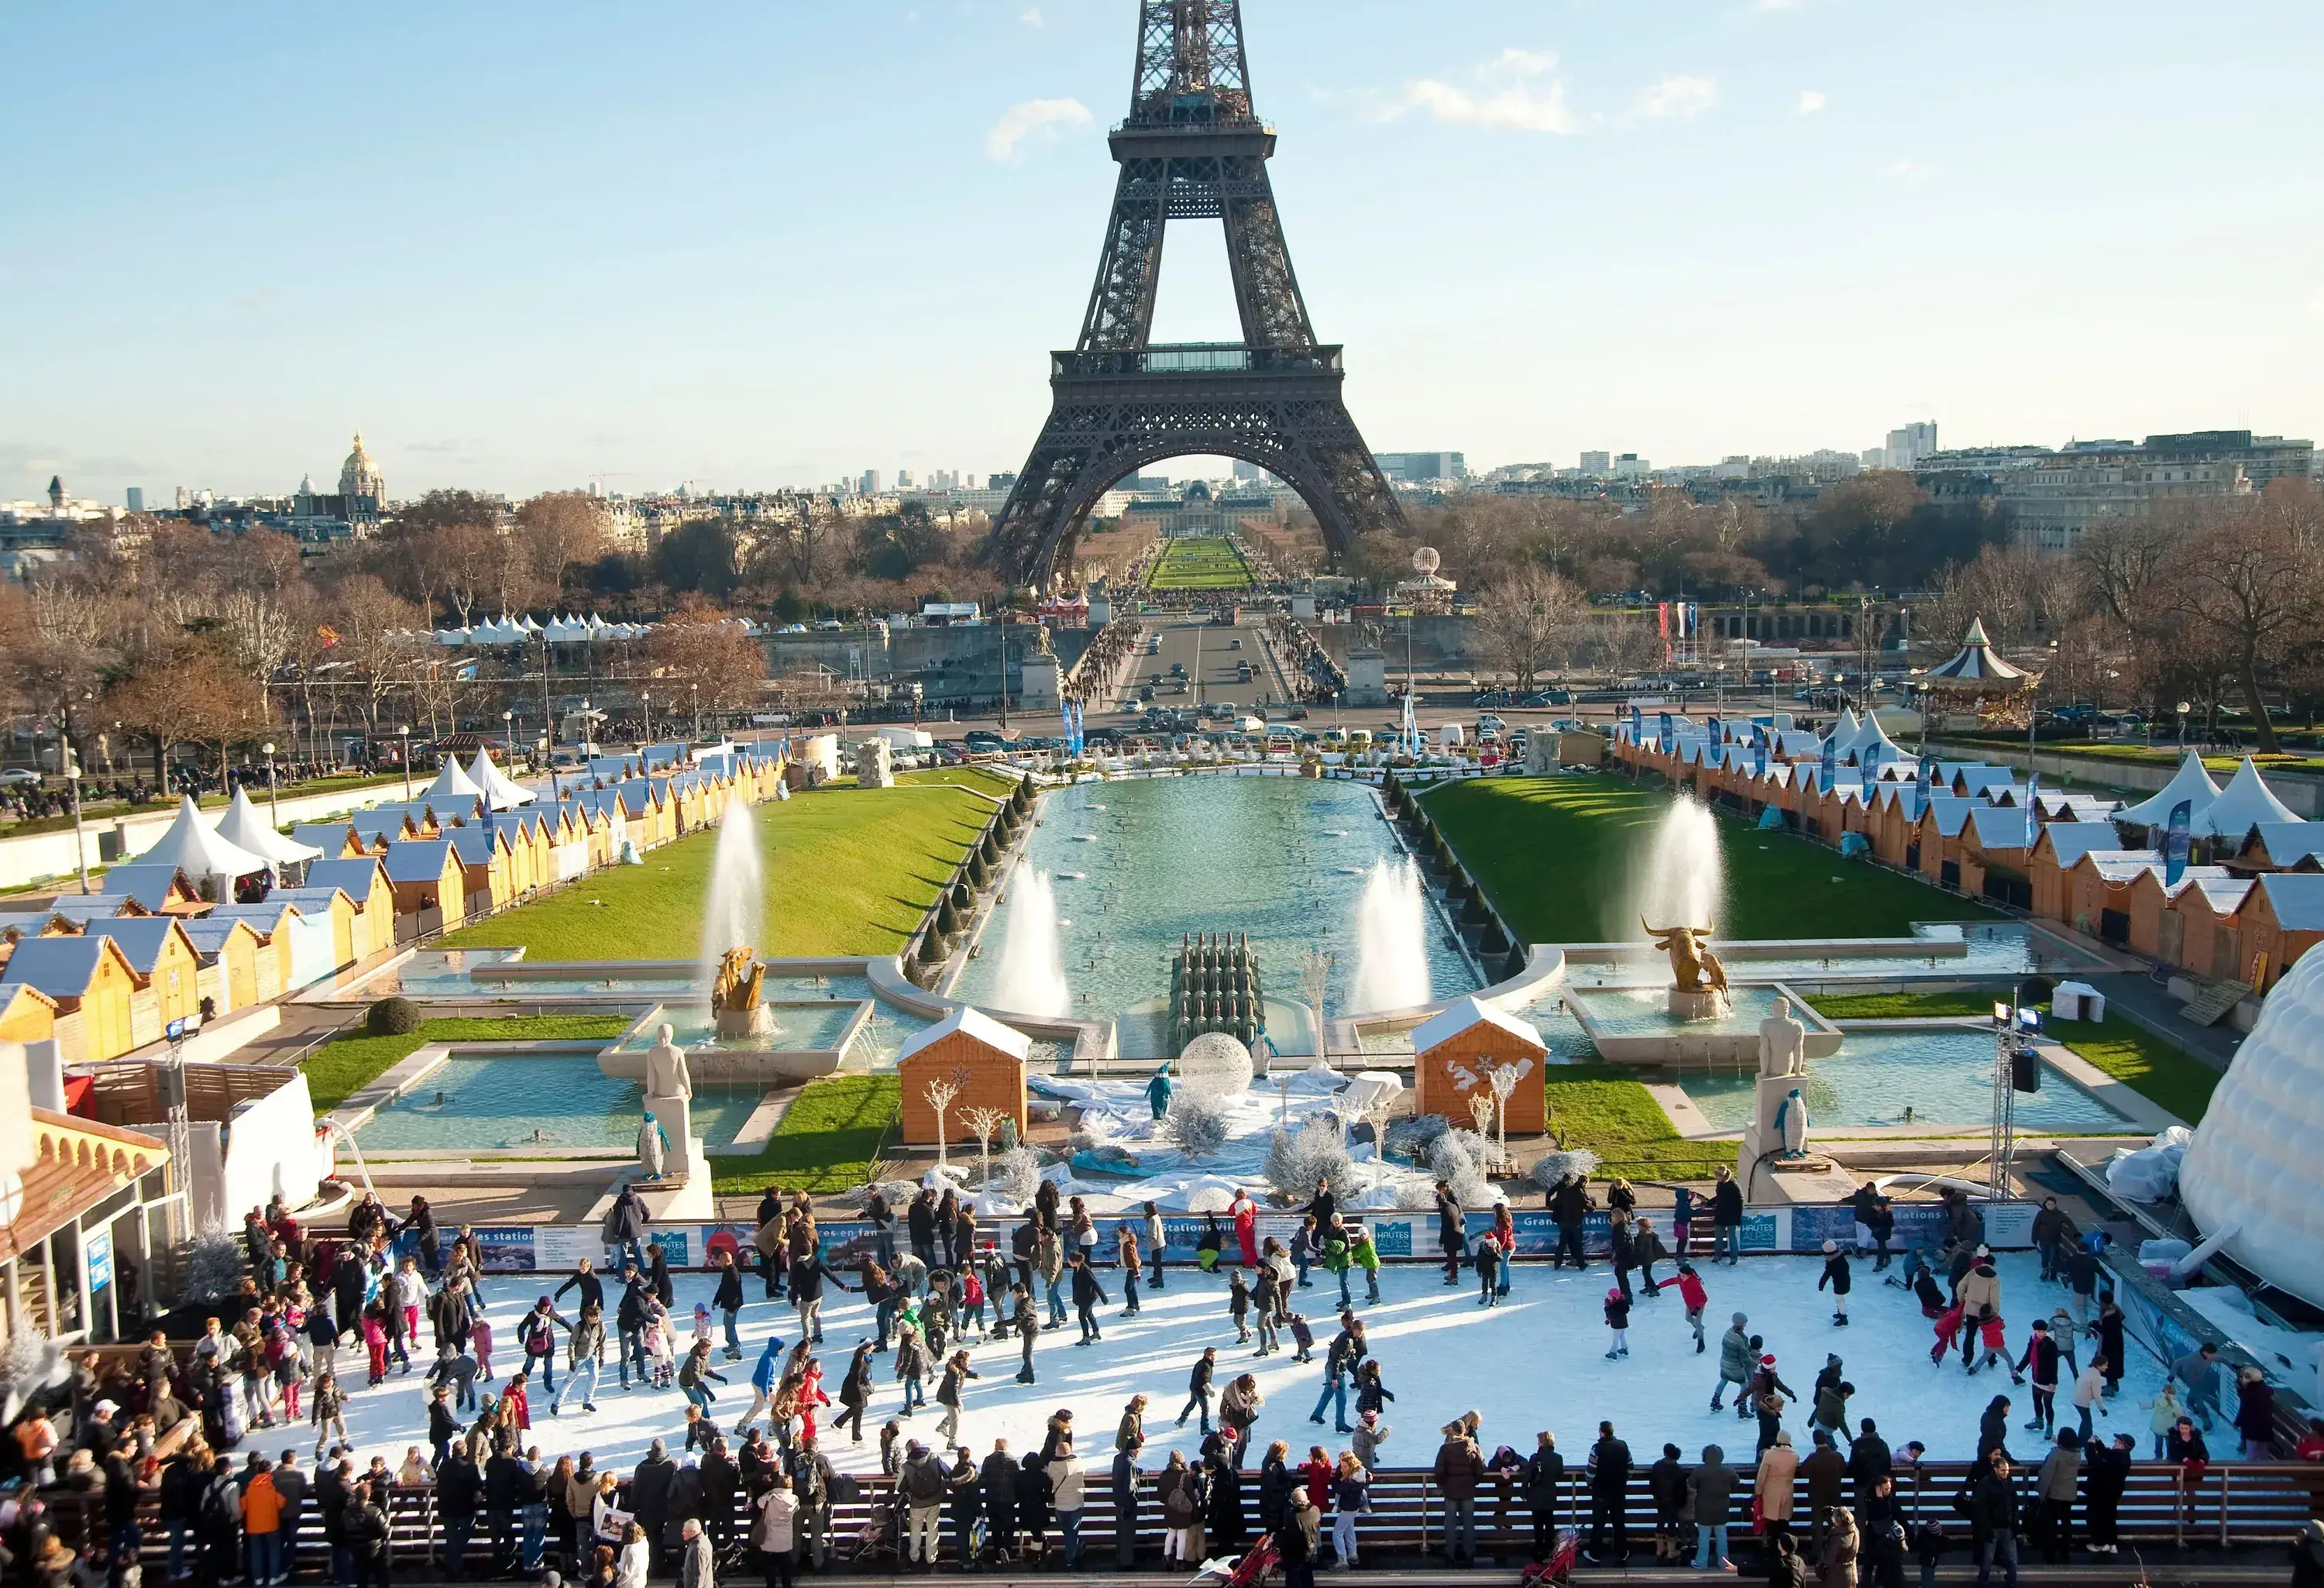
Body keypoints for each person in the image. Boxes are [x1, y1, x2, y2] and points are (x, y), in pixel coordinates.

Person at [1432, 1419, 1483, 1566]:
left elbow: (1439, 1470)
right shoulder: (1473, 1447)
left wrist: (1443, 1482)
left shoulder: (1446, 1449)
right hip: (1468, 1490)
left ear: (1453, 1431)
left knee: (1450, 1523)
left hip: (1451, 1491)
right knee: (1469, 1523)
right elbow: (1480, 1468)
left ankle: (1450, 1554)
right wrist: (1474, 1481)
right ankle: (1469, 1554)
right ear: (1465, 1431)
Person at [1585, 1420, 1632, 1565]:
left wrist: (1590, 1485)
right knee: (1619, 1523)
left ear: (1601, 1431)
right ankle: (1622, 1552)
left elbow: (1590, 1473)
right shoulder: (1623, 1446)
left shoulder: (1596, 1448)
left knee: (1598, 1524)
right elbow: (1631, 1469)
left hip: (1601, 1493)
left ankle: (1595, 1554)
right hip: (1619, 1492)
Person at [1967, 1454, 2017, 1588]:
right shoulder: (1985, 1484)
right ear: (1995, 1469)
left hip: (2007, 1524)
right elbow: (1980, 1508)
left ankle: (2011, 1581)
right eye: (2003, 1470)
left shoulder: (2008, 1482)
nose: (2006, 1473)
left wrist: (2015, 1522)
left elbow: (2014, 1504)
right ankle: (1983, 1581)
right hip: (1993, 1526)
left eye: (2007, 1470)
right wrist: (1986, 1527)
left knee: (2011, 1557)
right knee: (1989, 1557)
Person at [2081, 1433, 2132, 1556]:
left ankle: (2099, 1543)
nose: (2114, 1443)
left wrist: (2091, 1445)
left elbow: (2094, 1461)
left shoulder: (2116, 1458)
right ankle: (2111, 1542)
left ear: (2121, 1445)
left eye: (2116, 1441)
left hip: (2101, 1492)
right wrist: (2099, 1443)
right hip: (2114, 1492)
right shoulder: (2123, 1457)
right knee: (2109, 1517)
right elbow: (2106, 1453)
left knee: (2096, 1517)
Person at [1755, 1431, 1800, 1550]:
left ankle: (1773, 1548)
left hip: (1771, 1493)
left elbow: (1761, 1476)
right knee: (1784, 1521)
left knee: (1771, 1522)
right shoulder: (1794, 1456)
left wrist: (1758, 1491)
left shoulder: (1769, 1455)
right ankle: (1786, 1548)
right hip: (1787, 1493)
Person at [1713, 1313, 1754, 1413]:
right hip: (1734, 1367)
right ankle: (1742, 1408)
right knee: (1745, 1385)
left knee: (1723, 1381)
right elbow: (1745, 1357)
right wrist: (1756, 1362)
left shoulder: (1728, 1333)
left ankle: (1715, 1401)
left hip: (1725, 1363)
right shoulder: (1739, 1340)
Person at [1178, 1346, 1217, 1435]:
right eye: (1214, 1355)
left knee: (1192, 1403)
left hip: (1194, 1387)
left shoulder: (1200, 1363)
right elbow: (1204, 1380)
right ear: (1210, 1356)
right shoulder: (1206, 1366)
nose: (1215, 1358)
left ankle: (1181, 1419)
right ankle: (1204, 1428)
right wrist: (1210, 1391)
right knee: (1205, 1409)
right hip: (1200, 1390)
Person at [1710, 1166, 1744, 1265]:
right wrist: (1709, 1202)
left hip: (1731, 1216)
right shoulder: (1720, 1184)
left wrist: (1738, 1218)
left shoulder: (1734, 1186)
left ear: (1723, 1176)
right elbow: (1719, 1197)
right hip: (1720, 1215)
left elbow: (1740, 1202)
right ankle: (1718, 1255)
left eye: (1717, 1176)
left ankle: (1734, 1257)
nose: (1716, 1178)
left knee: (1732, 1238)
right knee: (1719, 1237)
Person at [1820, 1240, 1853, 1327]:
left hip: (1840, 1284)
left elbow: (1826, 1275)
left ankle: (1843, 1318)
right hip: (1845, 1280)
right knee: (1840, 1300)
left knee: (1840, 1300)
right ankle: (1840, 1313)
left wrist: (1821, 1285)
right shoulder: (1841, 1257)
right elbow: (1847, 1266)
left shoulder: (1832, 1263)